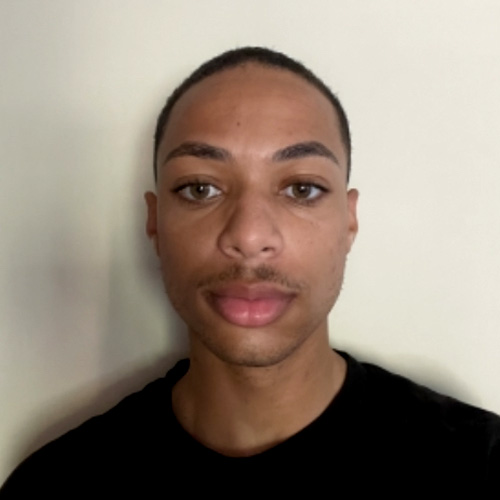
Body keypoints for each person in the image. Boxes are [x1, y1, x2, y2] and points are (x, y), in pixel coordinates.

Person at [2, 47, 499, 495]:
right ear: (154, 222)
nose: (248, 235)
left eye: (301, 188)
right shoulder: (51, 493)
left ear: (348, 221)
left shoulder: (482, 468)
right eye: (200, 188)